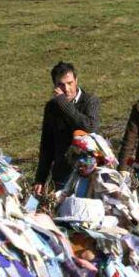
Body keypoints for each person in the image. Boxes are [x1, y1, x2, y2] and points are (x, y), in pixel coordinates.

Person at [34, 61, 100, 194]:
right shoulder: (51, 107)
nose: (66, 88)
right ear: (55, 86)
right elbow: (47, 145)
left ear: (76, 80)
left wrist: (64, 104)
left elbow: (89, 127)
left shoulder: (90, 101)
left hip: (87, 172)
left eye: (70, 83)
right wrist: (40, 179)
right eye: (61, 85)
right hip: (62, 173)